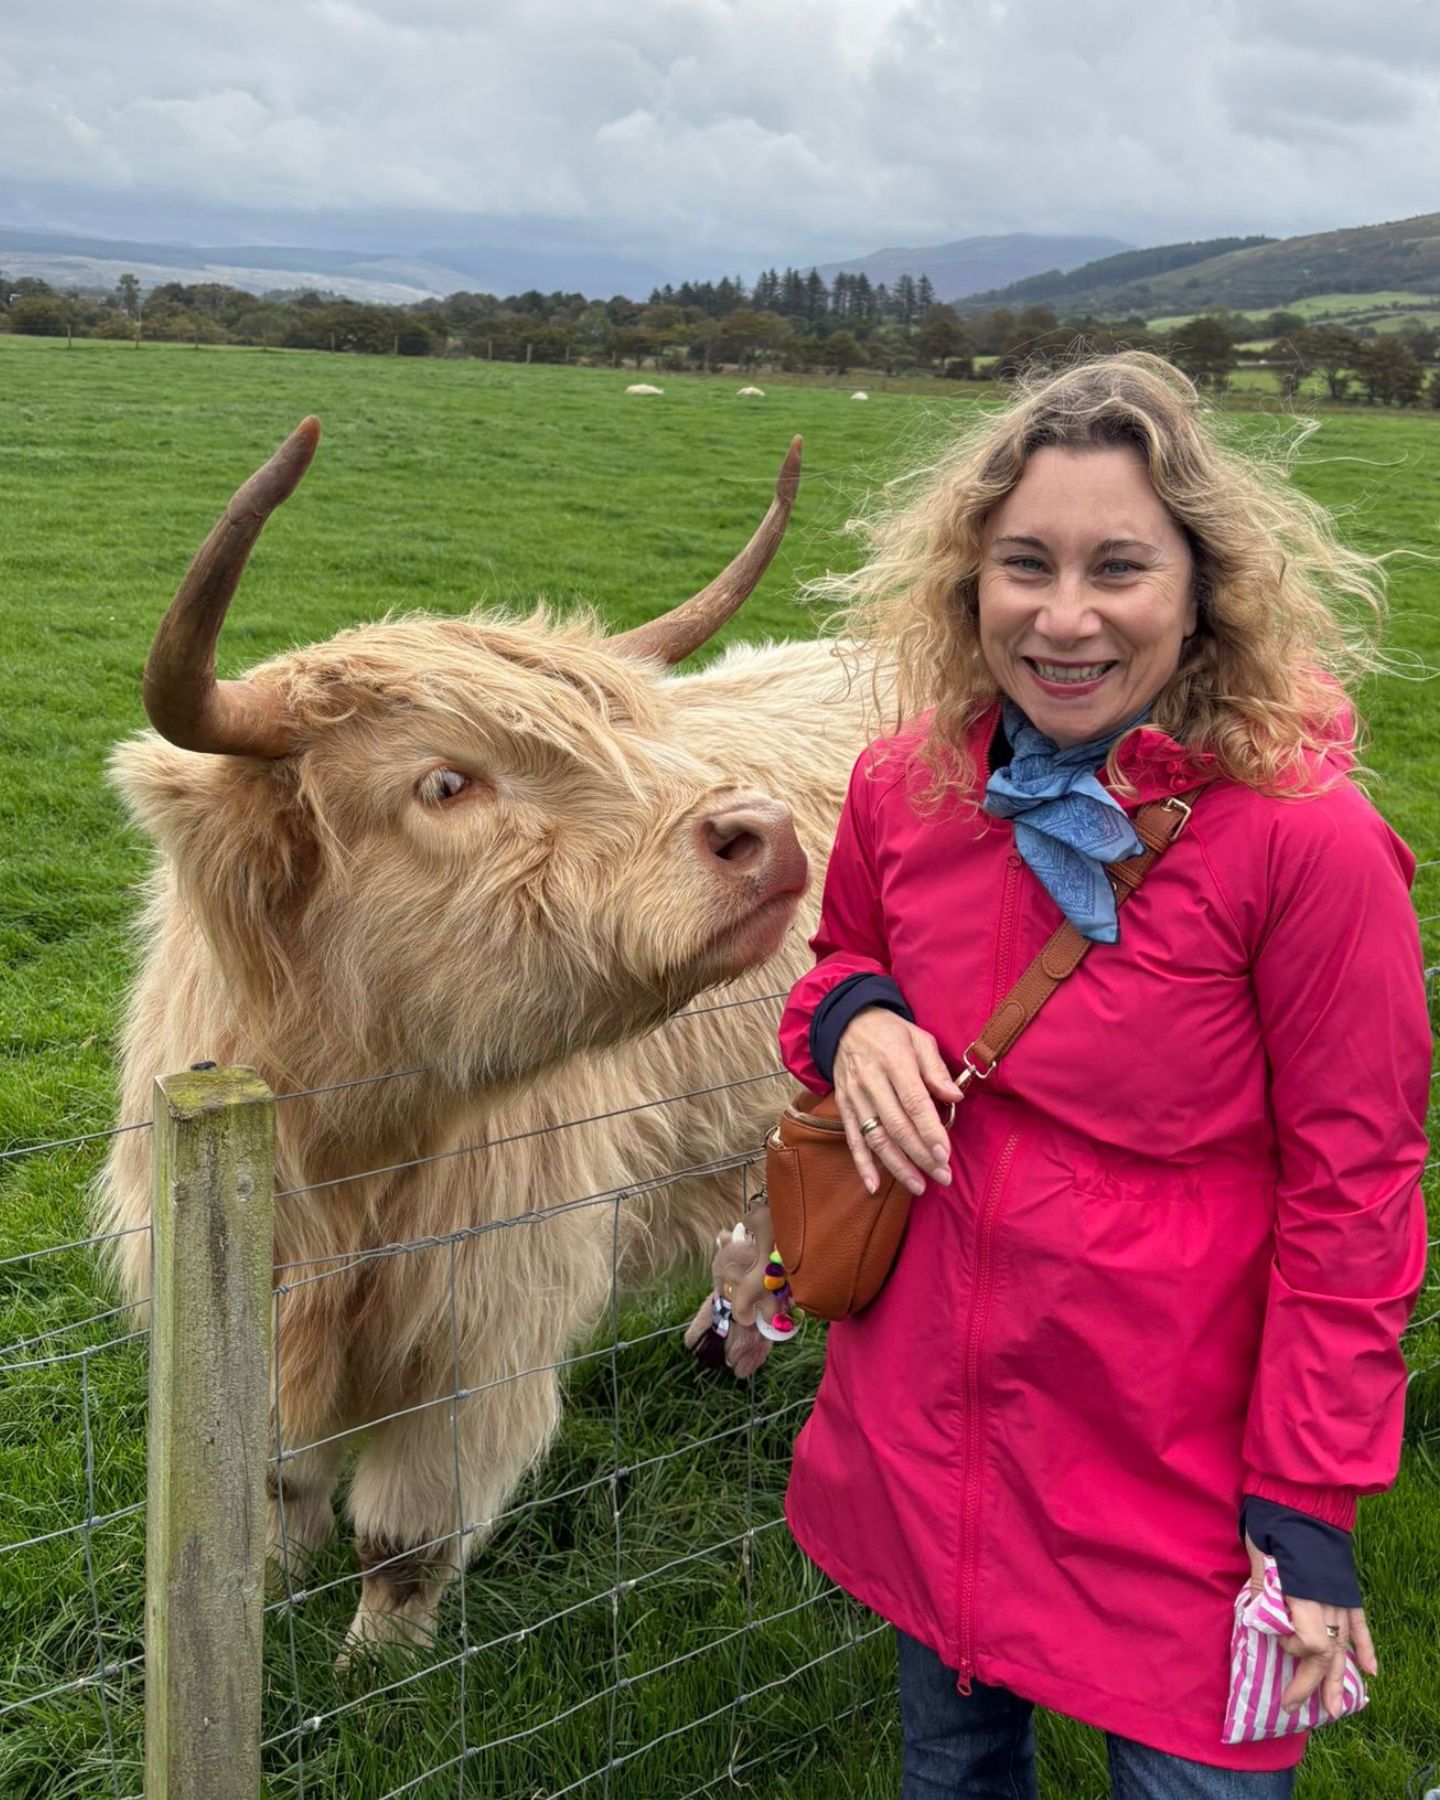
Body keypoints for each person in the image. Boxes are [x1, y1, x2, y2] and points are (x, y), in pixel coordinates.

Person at [776, 353, 1431, 1797]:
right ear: (971, 582)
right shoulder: (909, 787)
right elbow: (835, 961)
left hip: (1183, 1485)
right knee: (952, 1776)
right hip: (938, 1435)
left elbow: (1357, 1200)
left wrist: (1307, 1509)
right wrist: (857, 1020)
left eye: (1117, 567)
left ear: (1203, 590)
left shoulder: (1304, 848)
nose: (1064, 618)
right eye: (1026, 564)